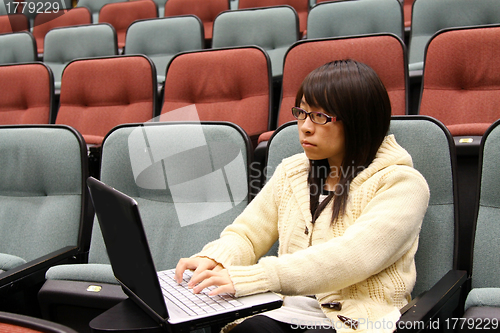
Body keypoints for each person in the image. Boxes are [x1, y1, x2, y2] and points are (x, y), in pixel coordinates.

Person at [175, 59, 430, 333]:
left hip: (355, 318)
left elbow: (350, 258)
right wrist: (216, 259)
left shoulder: (401, 183)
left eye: (320, 116)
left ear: (359, 121)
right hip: (286, 311)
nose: (306, 127)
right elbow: (247, 233)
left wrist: (256, 276)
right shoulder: (291, 172)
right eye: (302, 113)